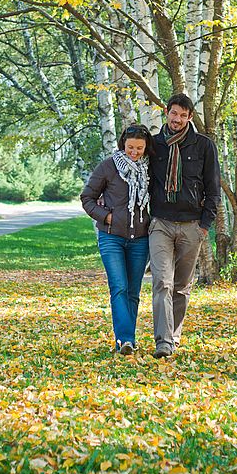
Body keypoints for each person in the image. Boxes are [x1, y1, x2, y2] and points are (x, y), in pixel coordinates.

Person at [148, 93, 221, 358]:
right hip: (161, 224)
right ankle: (163, 342)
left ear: (190, 117)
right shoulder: (154, 145)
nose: (177, 119)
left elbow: (213, 189)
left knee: (181, 287)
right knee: (162, 282)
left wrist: (204, 226)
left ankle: (173, 336)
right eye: (173, 113)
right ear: (166, 113)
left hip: (192, 226)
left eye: (183, 115)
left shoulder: (204, 146)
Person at [80, 124, 154, 355]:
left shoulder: (152, 169)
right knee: (119, 288)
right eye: (130, 147)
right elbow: (87, 197)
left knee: (133, 291)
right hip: (112, 237)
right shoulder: (109, 167)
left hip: (140, 239)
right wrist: (107, 216)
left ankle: (127, 339)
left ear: (146, 147)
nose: (134, 152)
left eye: (139, 148)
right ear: (123, 144)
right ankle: (125, 340)